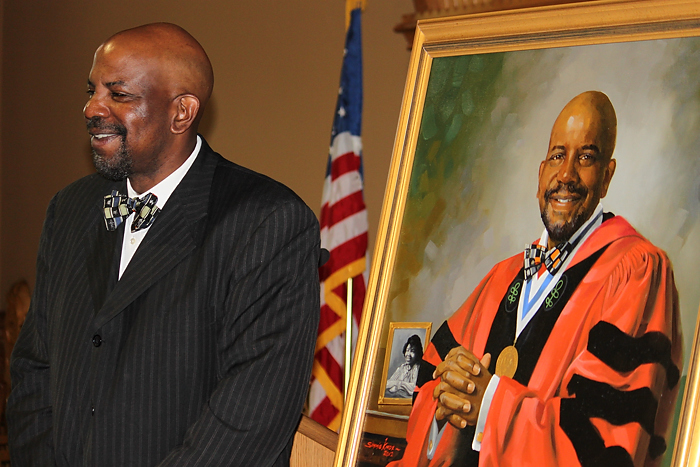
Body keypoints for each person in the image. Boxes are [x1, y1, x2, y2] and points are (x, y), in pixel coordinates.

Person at [7, 23, 321, 466]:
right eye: (92, 89)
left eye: (118, 94)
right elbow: (34, 373)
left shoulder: (268, 221)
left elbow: (253, 410)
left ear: (182, 112)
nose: (92, 107)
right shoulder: (69, 209)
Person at [393, 91, 682, 466]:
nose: (566, 175)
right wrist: (447, 402)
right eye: (558, 156)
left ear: (607, 176)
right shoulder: (503, 277)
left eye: (586, 157)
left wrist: (490, 405)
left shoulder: (637, 272)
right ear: (540, 172)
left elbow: (606, 439)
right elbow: (428, 382)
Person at [385, 334, 424, 399]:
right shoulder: (402, 368)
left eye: (412, 351)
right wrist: (396, 384)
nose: (408, 354)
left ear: (418, 353)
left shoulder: (417, 368)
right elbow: (387, 383)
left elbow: (414, 388)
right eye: (407, 350)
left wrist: (398, 385)